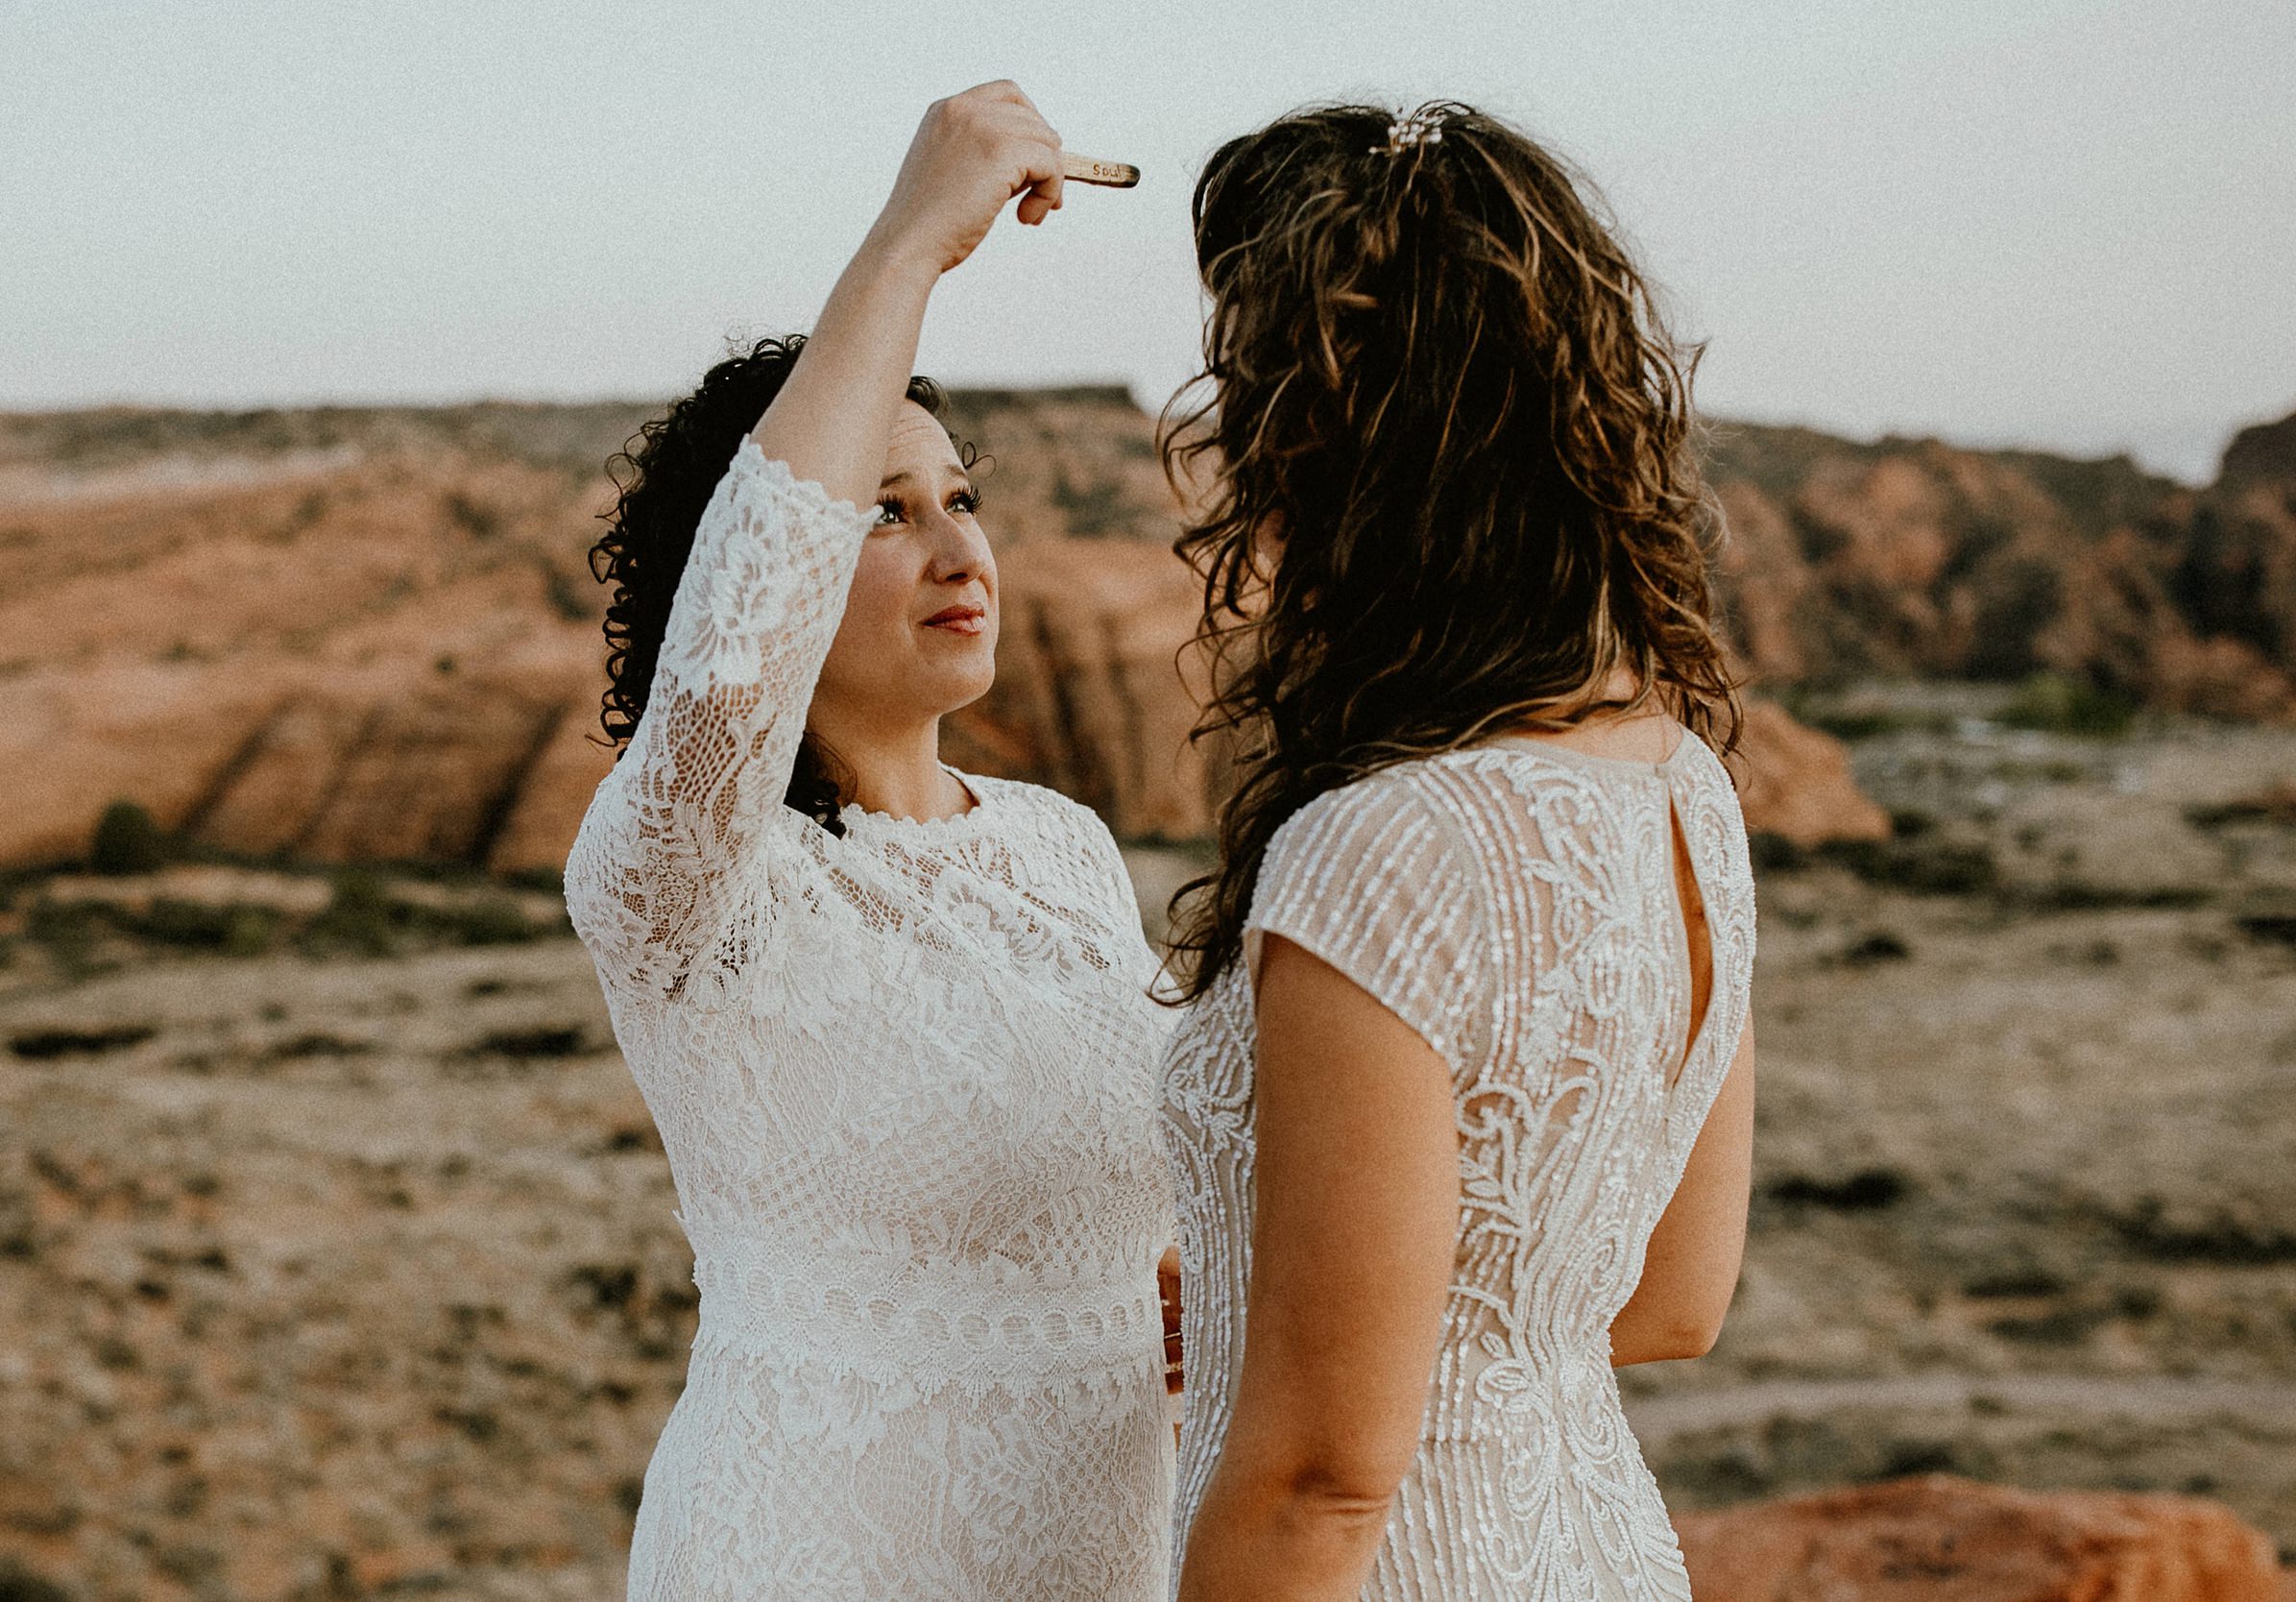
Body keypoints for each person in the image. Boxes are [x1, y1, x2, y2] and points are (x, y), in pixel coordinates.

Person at [561, 81, 1177, 1600]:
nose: (959, 546)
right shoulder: (687, 885)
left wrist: (1165, 1289)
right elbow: (725, 666)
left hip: (1104, 1552)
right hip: (819, 1550)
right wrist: (909, 246)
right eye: (884, 510)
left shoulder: (1067, 850)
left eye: (963, 498)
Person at [1155, 100, 1761, 1602]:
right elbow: (1673, 1299)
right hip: (1598, 1556)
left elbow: (1320, 1481)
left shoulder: (1381, 854)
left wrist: (1308, 1348)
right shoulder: (1686, 789)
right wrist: (1273, 1297)